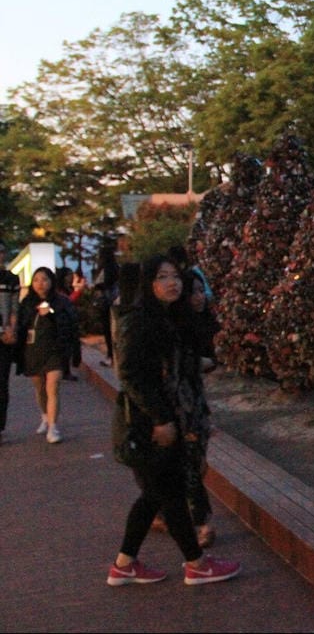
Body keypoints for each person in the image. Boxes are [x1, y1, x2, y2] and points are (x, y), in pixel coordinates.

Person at [107, 255, 241, 586]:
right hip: (151, 424)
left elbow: (179, 371)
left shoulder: (171, 319)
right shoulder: (140, 321)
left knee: (157, 494)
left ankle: (125, 564)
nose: (172, 283)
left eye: (176, 276)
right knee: (168, 494)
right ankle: (196, 564)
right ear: (148, 283)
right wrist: (160, 418)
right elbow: (131, 375)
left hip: (174, 419)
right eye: (163, 276)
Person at [152, 270, 219, 547]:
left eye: (201, 290)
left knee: (195, 466)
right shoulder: (168, 325)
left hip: (195, 405)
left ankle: (160, 511)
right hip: (176, 406)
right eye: (193, 292)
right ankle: (202, 523)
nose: (198, 297)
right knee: (190, 466)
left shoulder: (200, 323)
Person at [14, 266, 74, 443]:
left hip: (54, 350)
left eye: (45, 279)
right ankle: (45, 416)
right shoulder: (27, 303)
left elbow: (68, 324)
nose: (40, 283)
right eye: (36, 280)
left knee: (53, 386)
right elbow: (21, 325)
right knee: (40, 388)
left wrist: (51, 314)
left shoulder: (61, 302)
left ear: (52, 282)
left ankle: (53, 427)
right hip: (33, 350)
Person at [0, 243, 19, 444]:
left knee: (2, 382)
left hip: (4, 338)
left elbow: (14, 308)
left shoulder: (11, 279)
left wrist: (11, 329)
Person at [54, 267, 82, 382]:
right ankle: (64, 371)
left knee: (69, 347)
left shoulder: (68, 289)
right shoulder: (59, 291)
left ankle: (66, 370)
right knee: (65, 347)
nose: (71, 277)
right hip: (63, 322)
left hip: (70, 321)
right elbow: (67, 302)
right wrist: (77, 292)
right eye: (69, 275)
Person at [93, 244, 119, 367]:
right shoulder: (116, 268)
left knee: (108, 331)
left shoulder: (105, 270)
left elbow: (101, 285)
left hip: (106, 304)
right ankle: (114, 356)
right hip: (115, 303)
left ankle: (111, 356)